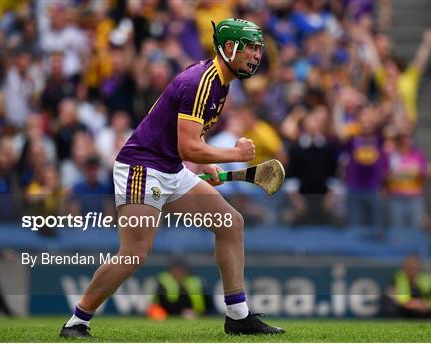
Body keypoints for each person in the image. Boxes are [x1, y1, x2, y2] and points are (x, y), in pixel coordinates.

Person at [60, 18, 284, 338]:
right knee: (135, 253)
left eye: (258, 49)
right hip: (141, 167)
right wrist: (233, 154)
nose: (256, 55)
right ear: (229, 48)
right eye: (250, 48)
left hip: (170, 167)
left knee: (230, 223)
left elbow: (190, 142)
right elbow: (188, 145)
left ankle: (238, 315)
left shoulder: (220, 81)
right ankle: (78, 320)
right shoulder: (201, 82)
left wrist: (207, 163)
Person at [382, 254, 431, 319]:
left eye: (413, 268)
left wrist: (426, 305)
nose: (411, 271)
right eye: (409, 268)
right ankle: (398, 322)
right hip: (406, 311)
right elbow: (390, 293)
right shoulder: (399, 278)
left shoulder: (427, 279)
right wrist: (411, 304)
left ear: (418, 268)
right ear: (404, 268)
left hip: (426, 309)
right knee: (388, 302)